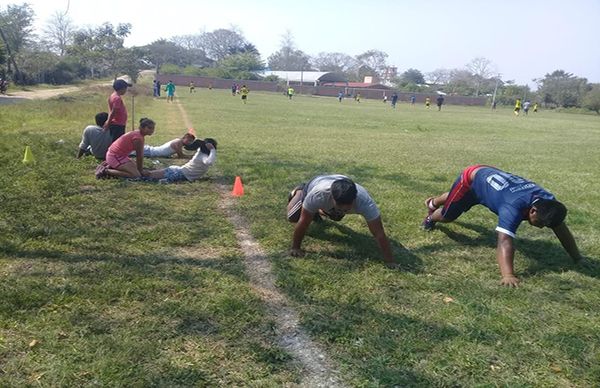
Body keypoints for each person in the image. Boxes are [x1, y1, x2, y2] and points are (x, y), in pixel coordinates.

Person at [421, 165, 583, 287]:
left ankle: (434, 201)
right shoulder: (512, 208)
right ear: (533, 211)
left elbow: (560, 228)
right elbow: (504, 241)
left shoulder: (548, 201)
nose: (541, 228)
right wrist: (508, 275)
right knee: (447, 216)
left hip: (488, 178)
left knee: (455, 199)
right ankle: (430, 215)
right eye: (540, 223)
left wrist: (577, 257)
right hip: (471, 180)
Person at [287, 174, 397, 267]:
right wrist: (296, 247)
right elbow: (304, 222)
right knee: (293, 217)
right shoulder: (318, 195)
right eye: (340, 205)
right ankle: (299, 191)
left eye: (348, 207)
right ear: (332, 198)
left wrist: (390, 261)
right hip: (316, 183)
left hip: (337, 185)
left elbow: (379, 233)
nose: (344, 209)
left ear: (355, 198)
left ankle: (317, 211)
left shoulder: (365, 202)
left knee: (336, 216)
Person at [143, 138, 217, 183]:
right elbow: (209, 162)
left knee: (150, 175)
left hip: (179, 172)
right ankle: (135, 174)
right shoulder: (203, 156)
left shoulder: (201, 152)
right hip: (178, 173)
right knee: (147, 176)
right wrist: (212, 150)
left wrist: (206, 144)